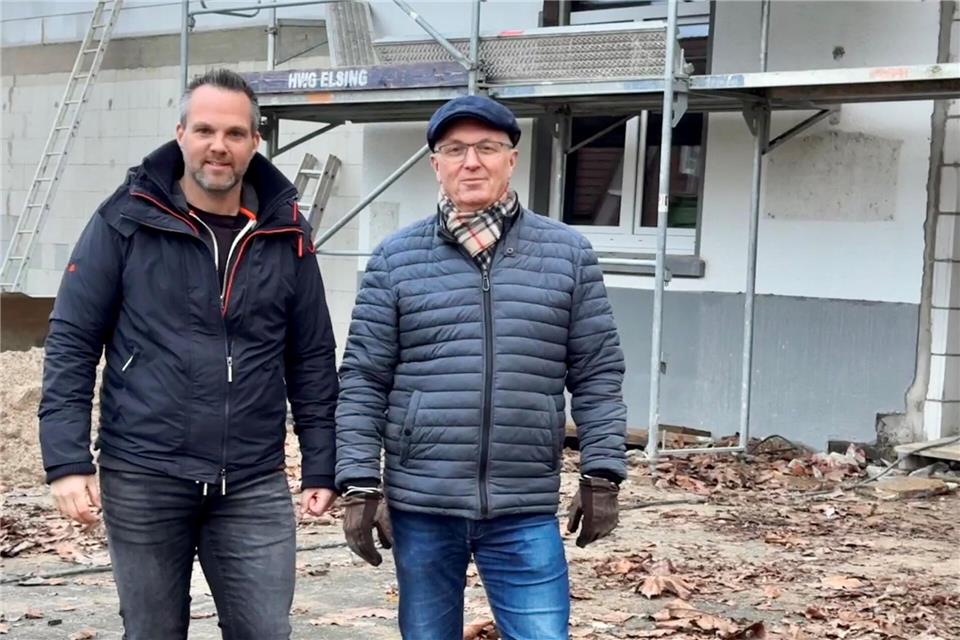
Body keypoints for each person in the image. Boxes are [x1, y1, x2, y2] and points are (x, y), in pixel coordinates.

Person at [38, 68, 339, 639]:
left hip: (252, 479)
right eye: (204, 130)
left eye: (234, 133)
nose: (218, 146)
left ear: (255, 141)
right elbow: (73, 340)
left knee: (266, 632)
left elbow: (312, 355)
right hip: (144, 473)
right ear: (180, 134)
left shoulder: (287, 231)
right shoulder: (125, 218)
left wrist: (321, 462)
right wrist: (68, 461)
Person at [335, 95, 627, 640]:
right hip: (422, 503)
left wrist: (602, 472)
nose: (471, 161)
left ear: (510, 159)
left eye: (487, 148)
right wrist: (358, 483)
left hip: (524, 504)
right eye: (455, 149)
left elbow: (597, 372)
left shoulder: (567, 254)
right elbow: (363, 380)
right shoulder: (396, 259)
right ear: (436, 164)